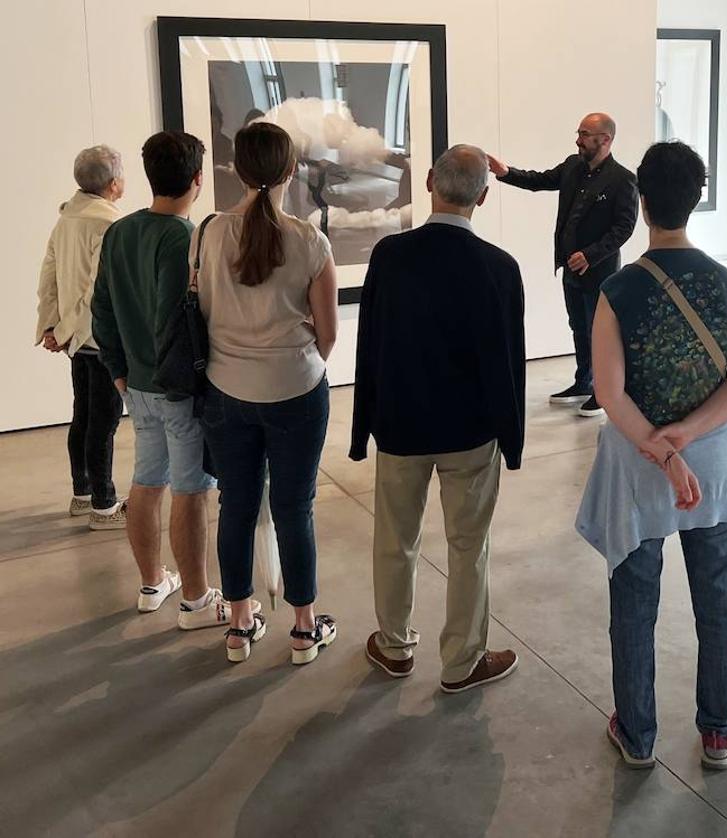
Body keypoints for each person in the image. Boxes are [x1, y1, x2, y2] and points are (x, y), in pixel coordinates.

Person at [576, 141, 727, 771]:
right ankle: (719, 733)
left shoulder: (619, 289)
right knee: (717, 600)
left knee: (635, 603)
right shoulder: (726, 283)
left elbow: (608, 391)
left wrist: (661, 446)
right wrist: (687, 436)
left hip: (638, 466)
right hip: (714, 468)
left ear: (645, 202)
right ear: (696, 197)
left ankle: (638, 734)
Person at [352, 144, 526, 694]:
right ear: (484, 194)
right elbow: (509, 365)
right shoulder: (500, 268)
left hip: (401, 425)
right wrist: (513, 438)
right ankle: (462, 661)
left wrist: (362, 427)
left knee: (394, 538)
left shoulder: (390, 255)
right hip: (470, 432)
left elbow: (369, 347)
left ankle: (395, 645)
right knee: (468, 545)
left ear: (429, 182)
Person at [92, 131, 255, 626]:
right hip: (176, 386)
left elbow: (100, 308)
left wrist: (119, 372)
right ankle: (197, 601)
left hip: (137, 385)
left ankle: (150, 583)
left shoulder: (121, 232)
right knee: (189, 487)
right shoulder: (185, 237)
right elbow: (176, 318)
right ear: (199, 179)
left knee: (147, 478)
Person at [195, 122, 339, 664]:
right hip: (295, 388)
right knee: (294, 508)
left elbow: (203, 312)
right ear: (291, 171)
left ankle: (238, 626)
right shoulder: (309, 239)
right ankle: (303, 630)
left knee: (235, 505)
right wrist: (297, 364)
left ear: (236, 167)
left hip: (225, 390)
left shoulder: (208, 233)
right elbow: (327, 333)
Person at [487, 113, 638, 418]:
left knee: (601, 334)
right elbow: (539, 180)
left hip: (600, 273)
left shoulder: (623, 180)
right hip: (569, 269)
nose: (578, 140)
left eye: (585, 134)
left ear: (605, 140)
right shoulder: (572, 166)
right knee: (579, 327)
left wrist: (592, 254)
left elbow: (624, 227)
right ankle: (583, 382)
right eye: (579, 133)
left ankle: (603, 392)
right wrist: (506, 173)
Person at [35, 145, 126, 530]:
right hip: (97, 337)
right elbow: (96, 290)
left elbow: (49, 275)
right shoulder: (107, 223)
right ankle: (104, 505)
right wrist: (66, 329)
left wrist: (51, 326)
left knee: (83, 416)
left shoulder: (67, 217)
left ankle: (82, 493)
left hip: (76, 340)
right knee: (102, 422)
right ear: (114, 184)